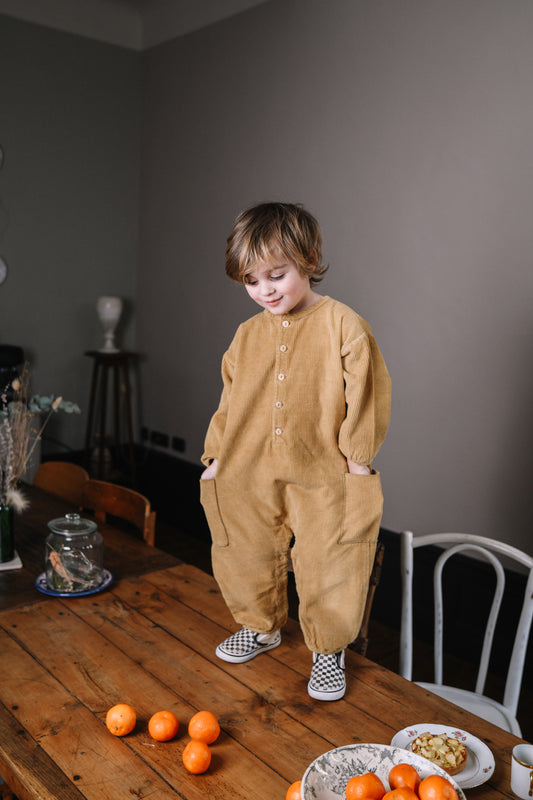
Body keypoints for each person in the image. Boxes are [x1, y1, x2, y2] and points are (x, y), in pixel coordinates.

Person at [200, 202, 391, 701]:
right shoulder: (246, 334)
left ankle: (328, 649)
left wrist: (357, 459)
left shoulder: (344, 324)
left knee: (331, 556)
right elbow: (230, 399)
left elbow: (367, 395)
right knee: (246, 549)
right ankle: (260, 626)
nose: (265, 290)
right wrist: (215, 458)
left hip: (323, 468)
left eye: (276, 275)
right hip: (246, 467)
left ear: (309, 259)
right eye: (251, 280)